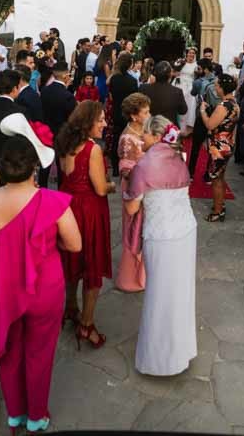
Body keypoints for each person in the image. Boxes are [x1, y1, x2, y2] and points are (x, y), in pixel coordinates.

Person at [0, 135, 79, 435]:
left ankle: (15, 415)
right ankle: (36, 416)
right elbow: (74, 243)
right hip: (43, 289)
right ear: (34, 167)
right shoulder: (53, 201)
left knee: (9, 354)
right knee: (39, 353)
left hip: (3, 289)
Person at [129, 116, 197, 376]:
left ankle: (159, 361)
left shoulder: (144, 165)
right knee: (181, 293)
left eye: (144, 134)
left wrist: (127, 184)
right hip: (186, 231)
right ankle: (182, 350)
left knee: (159, 296)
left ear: (156, 137)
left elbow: (132, 206)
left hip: (162, 236)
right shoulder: (179, 158)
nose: (141, 138)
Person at [56, 101, 115, 348]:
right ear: (88, 121)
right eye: (100, 120)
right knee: (92, 265)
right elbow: (100, 188)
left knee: (71, 261)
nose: (104, 123)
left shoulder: (64, 143)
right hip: (89, 210)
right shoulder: (92, 150)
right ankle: (87, 324)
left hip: (66, 206)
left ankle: (70, 307)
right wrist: (113, 184)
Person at [115, 92, 151, 292]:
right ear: (134, 116)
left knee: (142, 229)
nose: (149, 114)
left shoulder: (142, 129)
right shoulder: (128, 137)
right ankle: (132, 278)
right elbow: (127, 169)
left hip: (144, 186)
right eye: (145, 111)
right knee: (134, 229)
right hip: (134, 189)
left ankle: (142, 274)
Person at [200, 73, 239, 223]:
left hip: (219, 147)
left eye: (217, 85)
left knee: (215, 179)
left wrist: (202, 110)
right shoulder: (234, 103)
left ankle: (217, 211)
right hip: (228, 144)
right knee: (221, 177)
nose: (215, 87)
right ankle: (220, 205)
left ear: (222, 87)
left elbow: (210, 124)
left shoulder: (223, 106)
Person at [107, 52, 139, 170]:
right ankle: (125, 164)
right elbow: (135, 98)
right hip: (127, 113)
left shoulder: (114, 79)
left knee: (116, 138)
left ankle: (115, 166)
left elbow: (110, 95)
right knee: (127, 138)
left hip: (116, 111)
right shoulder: (132, 81)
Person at [187, 58, 218, 176]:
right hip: (215, 115)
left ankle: (191, 173)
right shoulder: (217, 80)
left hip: (202, 115)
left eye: (199, 68)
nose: (197, 69)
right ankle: (208, 174)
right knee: (212, 146)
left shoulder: (198, 82)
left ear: (204, 69)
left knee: (196, 146)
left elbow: (193, 93)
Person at [141, 60, 187, 125]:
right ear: (170, 75)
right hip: (168, 129)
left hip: (149, 126)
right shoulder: (177, 91)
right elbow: (183, 111)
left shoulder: (143, 88)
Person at [40, 62, 77, 140]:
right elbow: (73, 119)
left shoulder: (44, 90)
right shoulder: (68, 96)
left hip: (46, 133)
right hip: (62, 135)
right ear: (65, 76)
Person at [175, 47, 199, 133]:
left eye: (193, 53)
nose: (191, 54)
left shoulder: (196, 65)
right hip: (179, 84)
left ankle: (186, 127)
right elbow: (176, 73)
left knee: (189, 104)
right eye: (190, 53)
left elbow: (196, 77)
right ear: (187, 53)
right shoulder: (181, 62)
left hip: (189, 87)